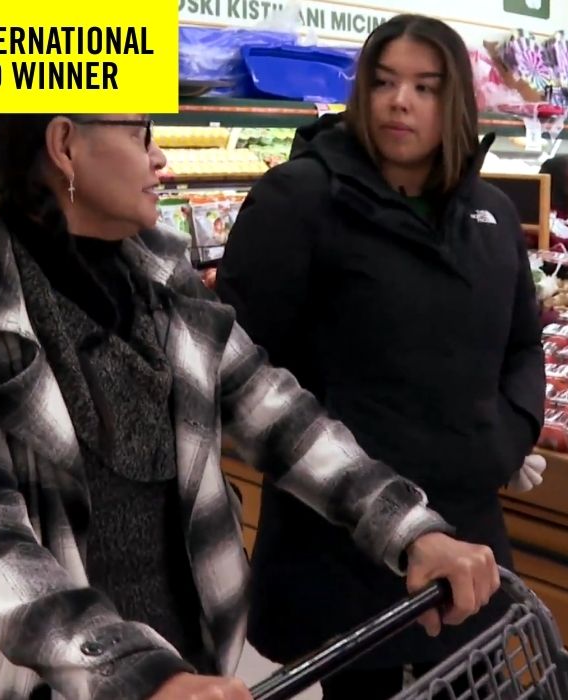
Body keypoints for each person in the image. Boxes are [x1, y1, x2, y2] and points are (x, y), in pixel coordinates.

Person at [0, 113, 503, 700]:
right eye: (140, 133)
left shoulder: (165, 282)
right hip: (48, 679)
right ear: (65, 145)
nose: (159, 156)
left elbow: (282, 417)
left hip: (193, 663)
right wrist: (134, 673)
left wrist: (409, 528)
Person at [216, 15, 546, 700]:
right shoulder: (298, 200)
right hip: (340, 548)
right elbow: (245, 366)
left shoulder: (488, 216)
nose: (401, 101)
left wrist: (506, 435)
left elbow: (522, 343)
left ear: (453, 103)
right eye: (386, 83)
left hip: (469, 540)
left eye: (425, 87)